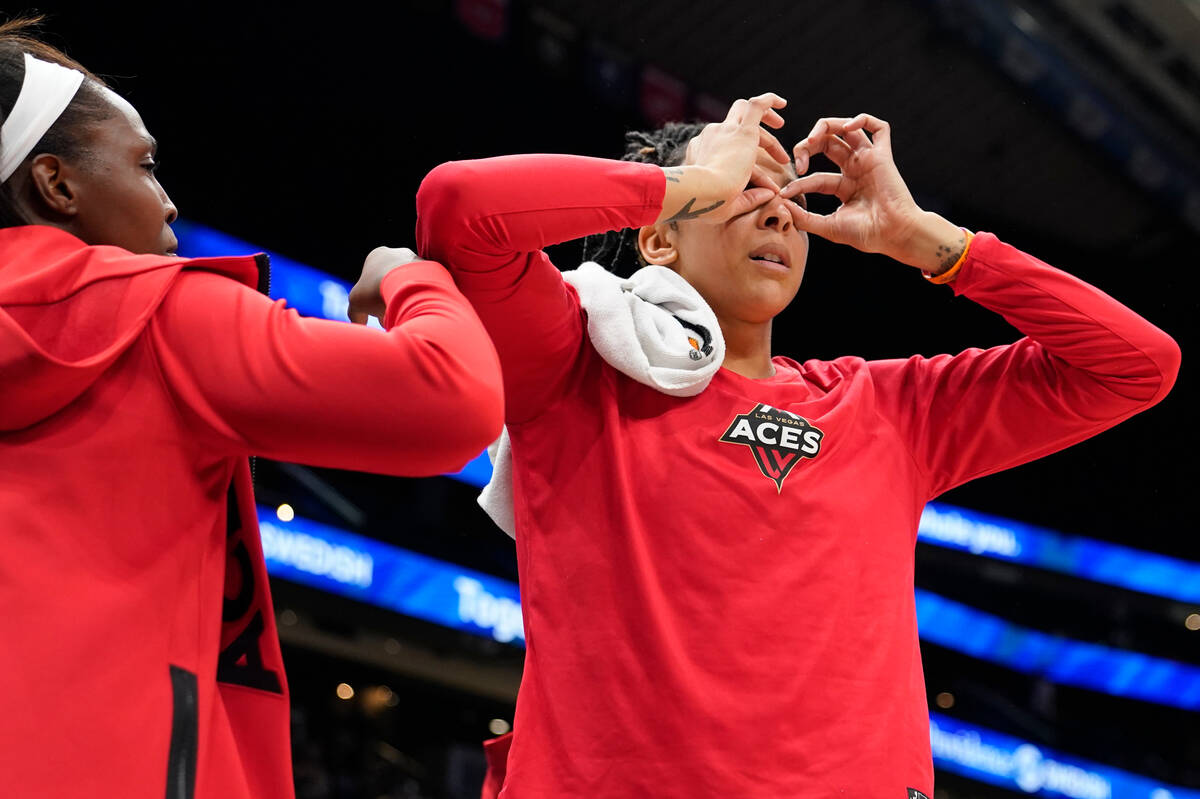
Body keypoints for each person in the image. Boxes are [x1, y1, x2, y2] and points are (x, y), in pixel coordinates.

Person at [405, 93, 1180, 798]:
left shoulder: (885, 408)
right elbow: (460, 209)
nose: (778, 215)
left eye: (784, 200)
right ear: (660, 237)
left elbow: (1136, 365)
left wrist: (932, 243)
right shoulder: (576, 363)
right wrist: (691, 178)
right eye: (742, 192)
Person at [0, 19, 504, 799]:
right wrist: (409, 276)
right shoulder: (157, 314)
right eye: (146, 166)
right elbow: (452, 398)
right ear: (56, 183)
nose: (168, 203)